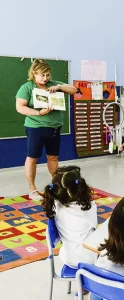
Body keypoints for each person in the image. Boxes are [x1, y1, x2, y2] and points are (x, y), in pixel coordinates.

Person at [16, 59, 77, 200]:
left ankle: (56, 185)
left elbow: (73, 90)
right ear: (34, 73)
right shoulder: (27, 87)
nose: (45, 78)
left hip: (54, 128)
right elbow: (20, 107)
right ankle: (32, 189)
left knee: (53, 157)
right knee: (32, 158)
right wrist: (39, 113)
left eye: (47, 75)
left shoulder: (53, 84)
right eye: (42, 75)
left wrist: (59, 87)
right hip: (35, 128)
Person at [41, 166, 97, 269]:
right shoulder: (89, 207)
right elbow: (95, 230)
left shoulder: (56, 206)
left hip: (68, 258)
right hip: (90, 260)